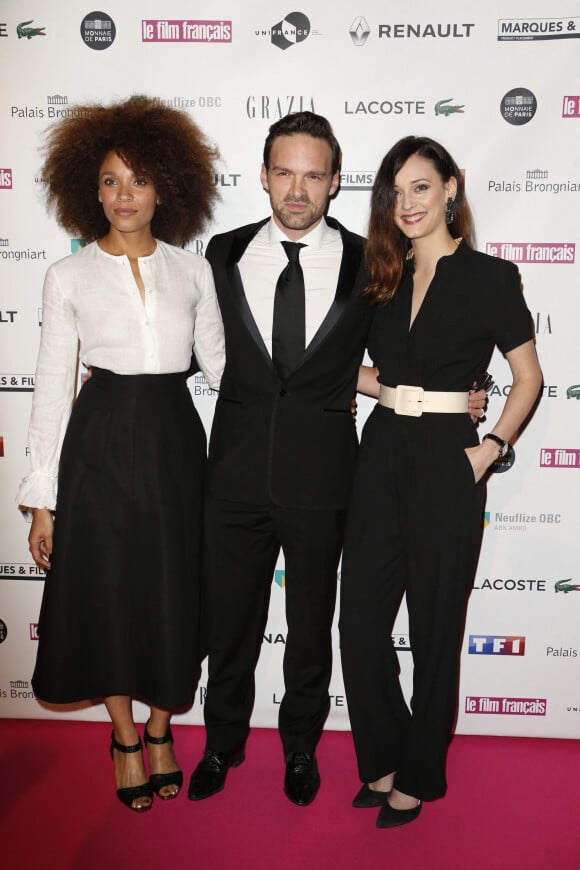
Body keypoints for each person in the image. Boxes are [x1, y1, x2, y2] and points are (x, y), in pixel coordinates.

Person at [187, 113, 488, 807]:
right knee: (229, 622)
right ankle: (222, 742)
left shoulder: (369, 264)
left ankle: (300, 749)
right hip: (231, 475)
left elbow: (376, 360)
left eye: (314, 175)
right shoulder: (222, 254)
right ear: (262, 176)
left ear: (334, 182)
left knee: (313, 629)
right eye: (285, 172)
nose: (298, 189)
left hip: (324, 478)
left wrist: (441, 400)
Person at [17, 97, 224, 812]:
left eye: (137, 180)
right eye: (109, 181)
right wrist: (42, 497)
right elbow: (49, 389)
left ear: (165, 186)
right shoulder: (66, 278)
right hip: (98, 445)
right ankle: (126, 736)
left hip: (173, 443)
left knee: (173, 587)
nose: (124, 195)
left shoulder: (194, 273)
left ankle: (165, 726)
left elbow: (227, 373)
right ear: (89, 189)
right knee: (106, 592)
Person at [338, 135, 542, 828]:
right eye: (395, 193)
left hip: (450, 461)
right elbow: (345, 368)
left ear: (451, 187)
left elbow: (529, 378)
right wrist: (388, 387)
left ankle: (419, 774)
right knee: (361, 623)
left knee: (433, 630)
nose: (407, 204)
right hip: (382, 451)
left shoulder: (490, 277)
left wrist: (489, 449)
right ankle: (386, 754)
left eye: (420, 187)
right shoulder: (378, 276)